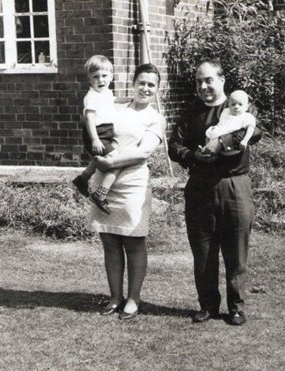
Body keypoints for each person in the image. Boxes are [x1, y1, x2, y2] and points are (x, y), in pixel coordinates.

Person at [168, 60, 262, 326]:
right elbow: (174, 146)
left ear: (221, 80)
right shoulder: (191, 112)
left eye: (208, 80)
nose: (203, 86)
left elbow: (255, 131)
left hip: (234, 185)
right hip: (199, 185)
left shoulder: (237, 104)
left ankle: (236, 307)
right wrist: (193, 155)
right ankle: (208, 305)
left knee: (236, 249)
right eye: (199, 81)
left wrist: (221, 143)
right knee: (204, 250)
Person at [88, 63, 166, 320]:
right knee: (109, 240)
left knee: (133, 240)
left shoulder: (155, 118)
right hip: (105, 181)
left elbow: (143, 152)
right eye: (141, 82)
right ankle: (114, 297)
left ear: (157, 89)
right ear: (133, 83)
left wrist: (110, 162)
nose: (145, 88)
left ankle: (133, 298)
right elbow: (94, 125)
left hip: (133, 183)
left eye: (151, 85)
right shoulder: (115, 106)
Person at [72, 55, 120, 214]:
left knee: (99, 159)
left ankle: (82, 179)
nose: (101, 80)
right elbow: (89, 119)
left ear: (111, 76)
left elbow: (114, 101)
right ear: (89, 79)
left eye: (105, 76)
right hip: (96, 133)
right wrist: (95, 140)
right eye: (96, 77)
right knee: (116, 162)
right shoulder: (91, 97)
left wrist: (132, 100)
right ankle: (100, 194)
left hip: (105, 132)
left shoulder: (105, 93)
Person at [200, 90, 256, 156]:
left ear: (247, 106)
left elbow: (251, 129)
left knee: (218, 147)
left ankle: (210, 152)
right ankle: (205, 149)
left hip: (231, 144)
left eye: (240, 104)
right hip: (219, 133)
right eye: (233, 104)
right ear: (228, 104)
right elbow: (221, 123)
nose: (236, 107)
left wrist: (245, 140)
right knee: (209, 133)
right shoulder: (226, 111)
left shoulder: (246, 117)